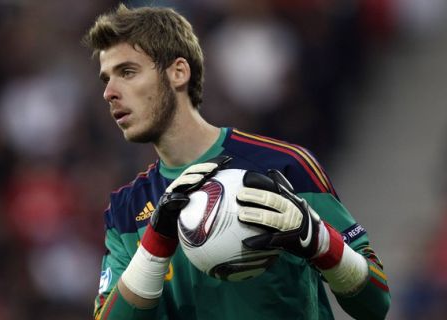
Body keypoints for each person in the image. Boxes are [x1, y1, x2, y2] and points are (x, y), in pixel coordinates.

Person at [83, 4, 391, 320]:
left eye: (127, 72)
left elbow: (375, 303)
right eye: (106, 78)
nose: (109, 92)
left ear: (178, 72)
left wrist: (320, 240)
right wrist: (155, 245)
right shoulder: (125, 209)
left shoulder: (285, 165)